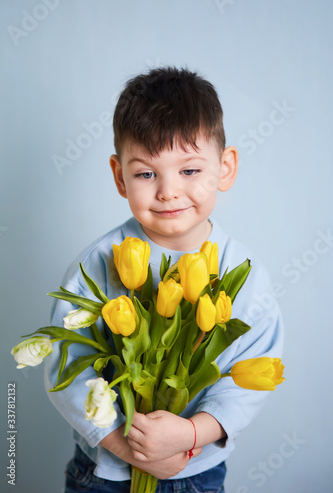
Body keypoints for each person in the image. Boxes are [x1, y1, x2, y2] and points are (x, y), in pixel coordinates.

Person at [45, 66, 284, 493]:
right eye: (146, 173)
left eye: (189, 171)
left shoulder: (245, 273)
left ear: (225, 168)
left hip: (195, 472)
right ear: (120, 177)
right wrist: (127, 447)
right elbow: (66, 365)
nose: (169, 191)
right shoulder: (97, 264)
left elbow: (246, 381)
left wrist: (191, 436)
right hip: (106, 470)